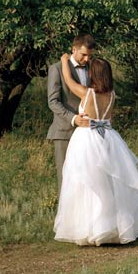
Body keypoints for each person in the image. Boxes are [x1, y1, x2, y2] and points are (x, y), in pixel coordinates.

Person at [53, 53, 138, 245]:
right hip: (108, 137)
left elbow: (68, 80)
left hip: (87, 138)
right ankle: (112, 225)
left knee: (89, 182)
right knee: (108, 182)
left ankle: (92, 227)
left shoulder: (87, 93)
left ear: (94, 74)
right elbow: (109, 119)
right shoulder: (112, 95)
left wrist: (65, 61)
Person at [46, 34, 95, 190]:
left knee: (87, 177)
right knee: (66, 178)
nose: (87, 59)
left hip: (87, 132)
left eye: (89, 55)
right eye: (84, 55)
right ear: (74, 49)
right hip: (64, 131)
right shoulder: (57, 68)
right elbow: (53, 102)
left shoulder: (92, 68)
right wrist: (73, 118)